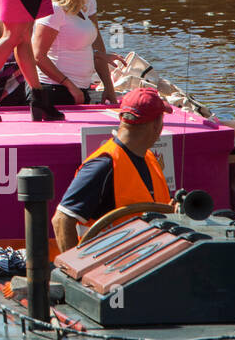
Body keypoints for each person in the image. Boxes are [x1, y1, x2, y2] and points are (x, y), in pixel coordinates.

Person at [52, 87, 172, 249]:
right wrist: (76, 271)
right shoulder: (104, 165)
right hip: (108, 269)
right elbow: (61, 220)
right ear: (157, 125)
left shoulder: (149, 157)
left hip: (145, 263)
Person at [31, 0, 104, 106]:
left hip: (77, 88)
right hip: (56, 90)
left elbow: (77, 45)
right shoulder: (54, 9)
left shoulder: (78, 9)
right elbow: (38, 55)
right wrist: (69, 85)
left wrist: (102, 56)